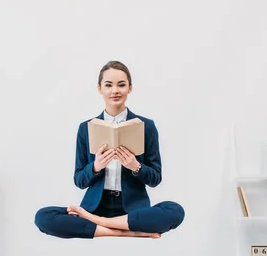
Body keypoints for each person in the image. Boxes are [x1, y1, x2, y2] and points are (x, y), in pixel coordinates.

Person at [34, 60, 185, 239]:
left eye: (121, 85)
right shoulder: (86, 128)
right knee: (43, 217)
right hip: (95, 206)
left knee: (175, 210)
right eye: (108, 85)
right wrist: (96, 167)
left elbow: (155, 179)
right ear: (99, 89)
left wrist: (135, 166)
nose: (115, 91)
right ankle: (129, 233)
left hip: (133, 211)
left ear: (130, 88)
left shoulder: (146, 126)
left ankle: (102, 225)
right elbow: (79, 180)